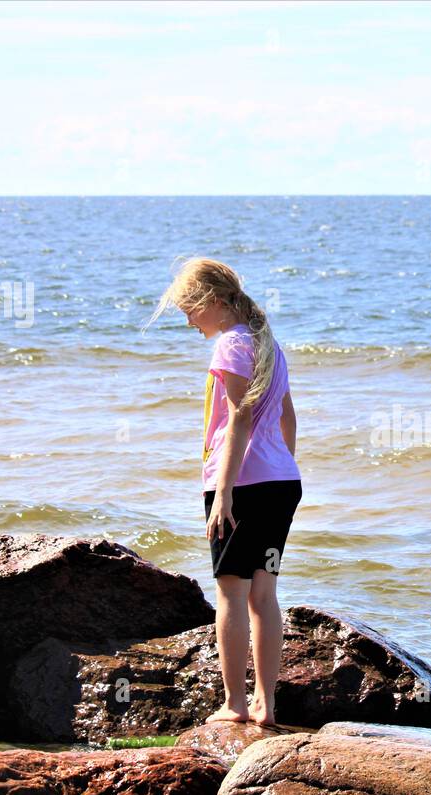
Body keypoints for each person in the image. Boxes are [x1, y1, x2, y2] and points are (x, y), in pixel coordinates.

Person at [149, 258, 301, 726]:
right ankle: (266, 705)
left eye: (189, 312)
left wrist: (227, 493)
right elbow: (287, 419)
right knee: (264, 593)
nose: (189, 322)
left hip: (241, 484)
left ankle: (235, 703)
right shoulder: (267, 343)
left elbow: (238, 417)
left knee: (231, 593)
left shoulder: (231, 346)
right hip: (280, 482)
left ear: (212, 302)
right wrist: (280, 466)